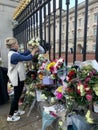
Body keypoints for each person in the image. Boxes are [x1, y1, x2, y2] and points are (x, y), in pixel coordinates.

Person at [5, 37, 39, 122]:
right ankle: (10, 115)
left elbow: (23, 54)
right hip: (17, 78)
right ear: (13, 45)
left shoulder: (13, 53)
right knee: (16, 97)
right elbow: (27, 58)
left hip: (17, 77)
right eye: (17, 44)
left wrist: (29, 48)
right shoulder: (14, 55)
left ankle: (16, 111)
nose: (18, 45)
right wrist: (34, 51)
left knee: (18, 94)